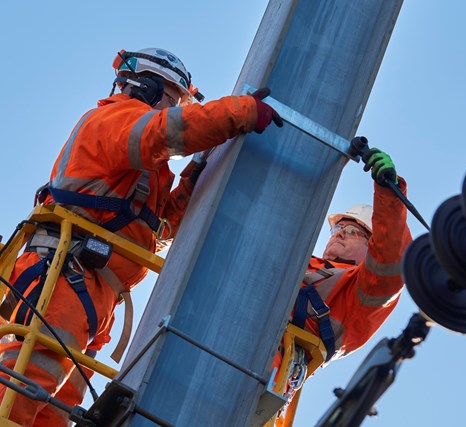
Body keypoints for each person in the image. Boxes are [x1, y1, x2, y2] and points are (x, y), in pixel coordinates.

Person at [0, 47, 282, 426]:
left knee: (49, 413)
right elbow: (167, 132)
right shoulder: (114, 118)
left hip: (89, 290)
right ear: (145, 87)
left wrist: (197, 173)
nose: (174, 108)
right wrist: (238, 112)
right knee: (20, 393)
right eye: (171, 98)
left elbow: (160, 229)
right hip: (64, 276)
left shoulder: (146, 170)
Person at [274, 147, 413, 423]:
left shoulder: (358, 291)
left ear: (370, 245)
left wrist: (388, 193)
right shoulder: (299, 259)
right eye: (337, 230)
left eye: (352, 232)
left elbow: (391, 260)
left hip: (267, 364)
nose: (340, 236)